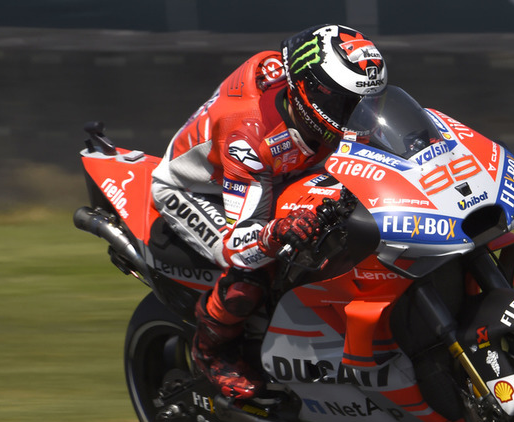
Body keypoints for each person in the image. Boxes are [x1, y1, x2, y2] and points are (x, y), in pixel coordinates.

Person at [151, 24, 387, 399]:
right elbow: (236, 244)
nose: (358, 116)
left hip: (274, 171)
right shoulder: (250, 138)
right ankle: (210, 351)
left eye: (368, 103)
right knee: (254, 270)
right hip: (198, 187)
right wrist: (275, 233)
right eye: (347, 105)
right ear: (310, 94)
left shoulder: (306, 91)